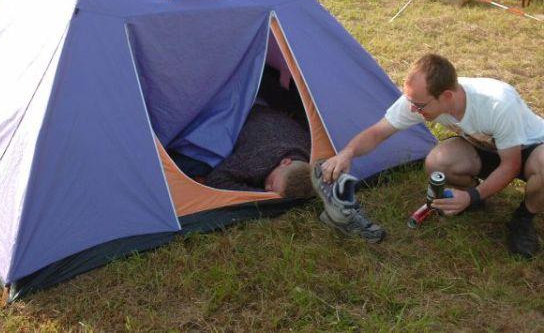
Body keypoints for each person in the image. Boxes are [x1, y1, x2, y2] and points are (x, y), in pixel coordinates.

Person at [318, 53, 544, 258]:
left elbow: (511, 164)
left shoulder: (497, 103)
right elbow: (378, 133)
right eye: (411, 103)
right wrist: (347, 153)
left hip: (528, 148)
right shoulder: (418, 100)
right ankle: (474, 195)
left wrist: (472, 196)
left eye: (419, 106)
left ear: (446, 96)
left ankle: (524, 217)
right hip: (484, 147)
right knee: (438, 162)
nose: (413, 110)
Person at [204, 104, 314, 198]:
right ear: (285, 162)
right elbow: (215, 179)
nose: (267, 188)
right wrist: (259, 194)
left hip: (267, 110)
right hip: (235, 108)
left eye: (270, 191)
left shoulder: (311, 149)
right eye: (272, 183)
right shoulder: (258, 160)